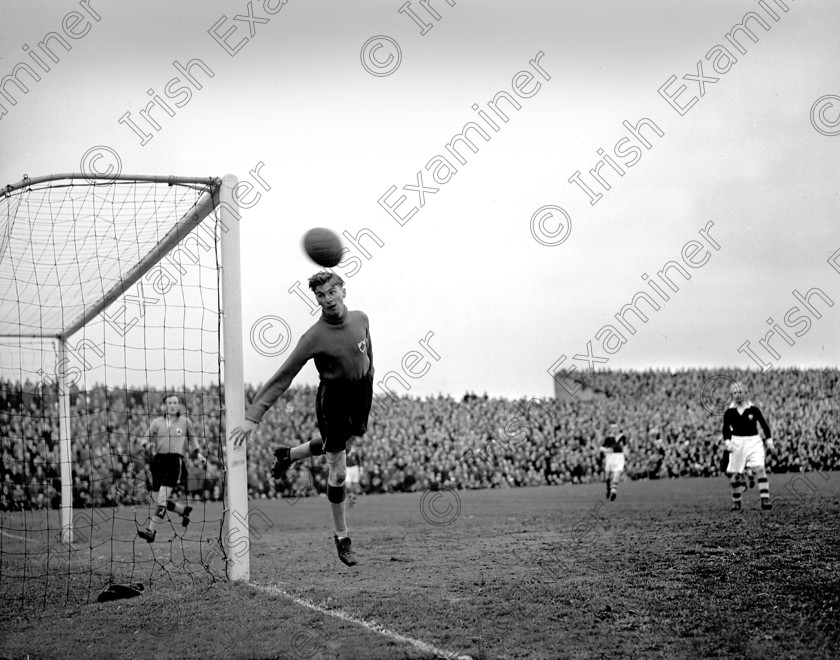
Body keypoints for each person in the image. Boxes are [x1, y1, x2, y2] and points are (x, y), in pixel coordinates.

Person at [231, 271, 374, 567]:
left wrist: (370, 379)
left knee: (346, 441)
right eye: (321, 295)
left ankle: (289, 454)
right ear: (317, 300)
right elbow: (284, 376)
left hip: (361, 393)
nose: (328, 299)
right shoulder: (313, 337)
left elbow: (369, 355)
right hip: (332, 400)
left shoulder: (361, 319)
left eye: (332, 292)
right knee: (338, 471)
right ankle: (342, 537)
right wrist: (253, 416)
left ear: (343, 291)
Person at [137, 393, 205, 542]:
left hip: (174, 462)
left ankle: (151, 531)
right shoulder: (156, 423)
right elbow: (143, 439)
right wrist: (148, 446)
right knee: (158, 500)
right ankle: (183, 510)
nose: (173, 405)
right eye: (170, 403)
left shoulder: (185, 422)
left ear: (179, 404)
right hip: (158, 462)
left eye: (175, 403)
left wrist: (199, 455)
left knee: (161, 498)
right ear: (165, 406)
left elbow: (193, 440)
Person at [722, 381, 774, 511]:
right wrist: (727, 442)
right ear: (731, 395)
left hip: (754, 441)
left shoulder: (753, 409)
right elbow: (726, 429)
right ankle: (736, 502)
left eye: (740, 392)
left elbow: (764, 425)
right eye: (735, 393)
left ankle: (765, 499)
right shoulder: (729, 412)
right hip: (737, 442)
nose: (737, 395)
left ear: (745, 393)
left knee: (760, 469)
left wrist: (769, 440)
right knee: (736, 474)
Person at [599, 422, 627, 501]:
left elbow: (625, 447)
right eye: (612, 428)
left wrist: (626, 455)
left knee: (617, 473)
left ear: (618, 428)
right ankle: (608, 489)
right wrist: (607, 450)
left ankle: (614, 491)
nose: (614, 430)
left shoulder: (622, 437)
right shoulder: (608, 438)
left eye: (615, 428)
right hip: (610, 457)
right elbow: (601, 448)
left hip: (619, 457)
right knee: (607, 475)